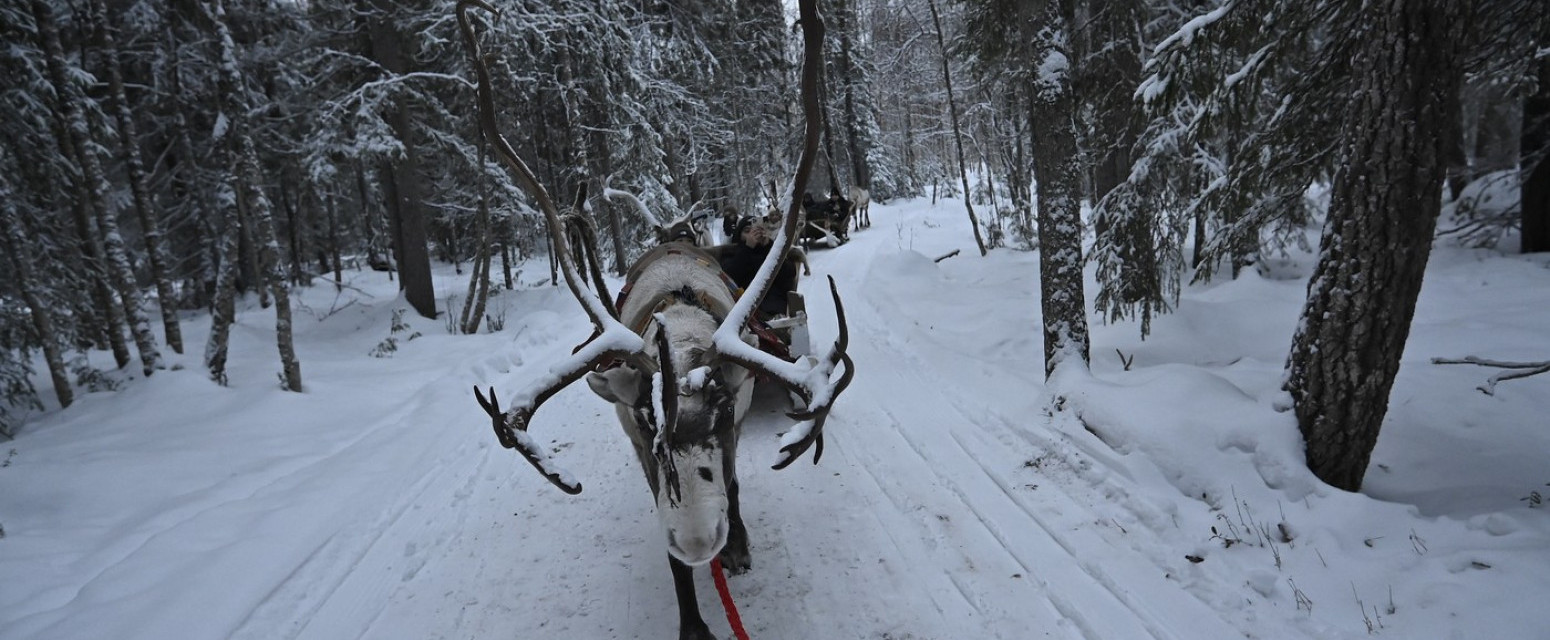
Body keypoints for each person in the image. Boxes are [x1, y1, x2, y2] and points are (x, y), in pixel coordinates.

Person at [719, 215, 804, 318]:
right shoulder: (730, 253)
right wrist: (747, 248)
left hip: (773, 307)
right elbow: (730, 278)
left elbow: (789, 274)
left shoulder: (770, 252)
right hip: (743, 308)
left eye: (756, 231)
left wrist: (768, 247)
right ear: (739, 235)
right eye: (747, 231)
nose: (753, 234)